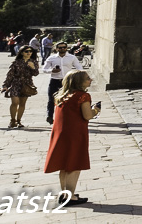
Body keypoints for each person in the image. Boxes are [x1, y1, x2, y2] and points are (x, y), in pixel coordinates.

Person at [43, 69, 99, 205]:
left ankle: (65, 193)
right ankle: (70, 197)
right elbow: (87, 115)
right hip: (75, 133)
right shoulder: (83, 96)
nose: (90, 80)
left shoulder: (62, 96)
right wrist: (96, 110)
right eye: (87, 78)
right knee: (74, 165)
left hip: (61, 133)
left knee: (64, 165)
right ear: (79, 82)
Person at [42, 42, 82, 125]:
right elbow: (44, 69)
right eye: (60, 48)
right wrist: (52, 71)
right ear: (56, 49)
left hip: (67, 81)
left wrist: (77, 76)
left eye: (64, 47)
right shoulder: (52, 58)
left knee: (68, 99)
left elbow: (79, 68)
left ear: (66, 48)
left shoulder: (72, 57)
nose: (62, 49)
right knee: (51, 99)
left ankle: (67, 116)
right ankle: (49, 116)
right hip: (55, 80)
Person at [2, 45, 40, 128]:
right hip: (16, 83)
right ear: (22, 53)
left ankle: (19, 121)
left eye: (30, 51)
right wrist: (5, 85)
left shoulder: (33, 62)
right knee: (15, 102)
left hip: (27, 85)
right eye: (26, 51)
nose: (29, 53)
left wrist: (33, 67)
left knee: (22, 103)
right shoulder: (16, 62)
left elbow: (36, 74)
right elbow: (10, 75)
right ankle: (12, 120)